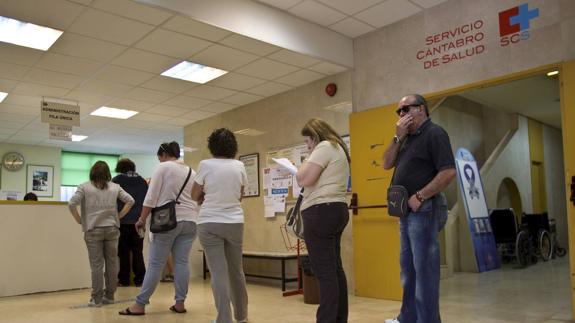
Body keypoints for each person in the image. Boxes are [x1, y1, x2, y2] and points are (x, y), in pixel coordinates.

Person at [382, 94, 455, 323]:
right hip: (405, 212)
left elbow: (448, 172)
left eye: (406, 109)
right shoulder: (405, 138)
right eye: (399, 112)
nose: (402, 115)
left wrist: (421, 196)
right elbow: (386, 163)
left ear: (421, 109)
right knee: (409, 271)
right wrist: (397, 136)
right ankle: (408, 318)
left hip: (424, 210)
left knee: (425, 272)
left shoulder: (435, 134)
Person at [120, 141, 198, 316]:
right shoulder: (192, 171)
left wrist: (141, 219)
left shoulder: (163, 168)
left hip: (167, 222)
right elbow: (197, 197)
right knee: (182, 262)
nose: (160, 161)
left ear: (163, 155)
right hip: (191, 221)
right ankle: (180, 303)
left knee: (155, 263)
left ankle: (139, 305)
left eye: (159, 158)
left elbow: (151, 197)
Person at [295, 118, 351, 323]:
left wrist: (306, 160)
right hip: (336, 210)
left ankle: (326, 319)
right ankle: (338, 319)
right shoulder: (338, 148)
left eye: (307, 142)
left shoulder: (324, 146)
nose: (307, 146)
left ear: (314, 136)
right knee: (335, 270)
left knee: (325, 273)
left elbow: (303, 179)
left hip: (320, 212)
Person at [191, 128, 248, 323]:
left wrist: (205, 196)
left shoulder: (205, 164)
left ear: (212, 146)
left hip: (209, 222)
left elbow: (194, 194)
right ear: (233, 146)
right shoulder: (239, 165)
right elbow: (240, 195)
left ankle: (224, 319)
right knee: (236, 271)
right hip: (234, 223)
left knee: (218, 273)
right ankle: (242, 317)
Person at [68, 161, 135, 307]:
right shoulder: (115, 187)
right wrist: (119, 216)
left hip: (93, 231)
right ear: (107, 174)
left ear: (92, 172)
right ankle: (110, 296)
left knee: (96, 266)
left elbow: (72, 204)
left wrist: (80, 220)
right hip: (112, 230)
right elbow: (130, 200)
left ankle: (96, 299)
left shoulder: (84, 187)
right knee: (112, 264)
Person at [112, 158, 148, 287]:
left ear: (120, 168)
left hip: (122, 222)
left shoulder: (116, 181)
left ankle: (124, 280)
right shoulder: (143, 181)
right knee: (138, 252)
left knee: (123, 252)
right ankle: (140, 280)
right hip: (139, 222)